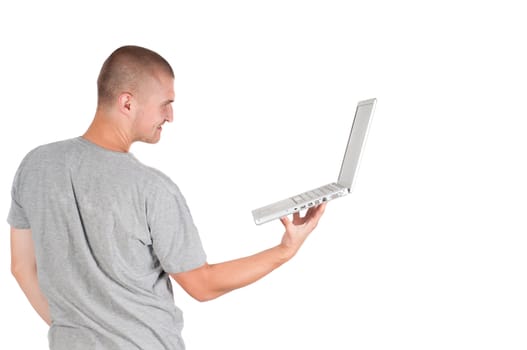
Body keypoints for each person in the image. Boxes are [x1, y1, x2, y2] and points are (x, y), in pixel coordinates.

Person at [8, 45, 326, 350]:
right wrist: (285, 250)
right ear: (127, 103)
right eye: (165, 103)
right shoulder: (151, 188)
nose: (171, 116)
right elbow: (202, 285)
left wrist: (76, 329)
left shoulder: (35, 166)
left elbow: (22, 267)